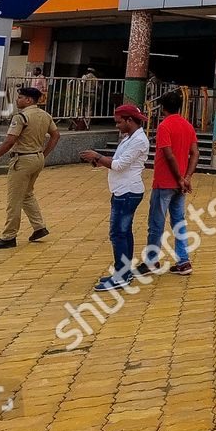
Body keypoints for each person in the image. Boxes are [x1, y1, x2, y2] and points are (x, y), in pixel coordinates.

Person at [78, 104, 150, 291]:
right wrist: (99, 161)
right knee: (124, 232)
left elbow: (119, 165)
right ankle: (124, 272)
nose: (117, 125)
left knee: (118, 233)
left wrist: (98, 156)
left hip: (128, 191)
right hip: (121, 190)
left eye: (119, 122)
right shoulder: (129, 138)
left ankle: (122, 275)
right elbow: (118, 161)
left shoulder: (139, 140)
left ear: (129, 120)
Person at [0, 86, 59, 250]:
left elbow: (9, 141)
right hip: (37, 157)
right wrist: (44, 153)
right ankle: (39, 227)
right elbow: (55, 135)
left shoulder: (21, 117)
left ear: (29, 100)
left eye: (21, 97)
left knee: (14, 199)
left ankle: (9, 236)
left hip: (22, 159)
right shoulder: (45, 115)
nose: (17, 100)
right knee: (27, 194)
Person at [139, 88, 197, 276]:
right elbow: (195, 153)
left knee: (156, 223)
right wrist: (187, 177)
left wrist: (179, 177)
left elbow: (168, 154)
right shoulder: (188, 126)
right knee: (179, 222)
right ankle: (183, 260)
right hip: (180, 184)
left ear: (163, 108)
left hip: (165, 181)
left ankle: (151, 261)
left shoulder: (165, 126)